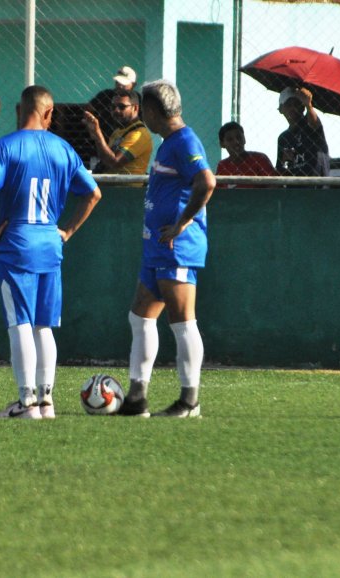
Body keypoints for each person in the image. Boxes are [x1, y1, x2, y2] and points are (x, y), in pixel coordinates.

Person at [0, 85, 102, 419]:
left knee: (20, 323)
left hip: (17, 242)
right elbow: (94, 194)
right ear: (49, 113)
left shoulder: (5, 146)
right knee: (43, 325)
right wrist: (67, 231)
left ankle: (25, 403)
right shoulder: (64, 149)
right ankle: (46, 403)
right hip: (50, 243)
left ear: (21, 110)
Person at [118, 79, 215, 419]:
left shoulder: (185, 141)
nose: (143, 115)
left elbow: (206, 181)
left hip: (177, 248)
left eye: (144, 109)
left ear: (154, 111)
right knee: (140, 316)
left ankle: (190, 402)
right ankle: (136, 399)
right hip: (157, 248)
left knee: (182, 322)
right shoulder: (168, 143)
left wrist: (182, 223)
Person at [82, 88, 152, 175]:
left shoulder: (139, 134)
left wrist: (97, 134)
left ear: (135, 108)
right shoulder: (118, 131)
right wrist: (96, 136)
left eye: (122, 107)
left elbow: (115, 162)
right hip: (113, 184)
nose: (116, 110)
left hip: (127, 187)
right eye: (113, 107)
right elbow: (106, 159)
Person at [276, 87, 330, 177]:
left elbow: (314, 124)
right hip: (294, 187)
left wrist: (308, 105)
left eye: (297, 104)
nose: (293, 108)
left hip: (315, 185)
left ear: (302, 108)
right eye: (288, 105)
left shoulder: (309, 123)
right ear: (281, 109)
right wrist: (284, 160)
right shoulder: (283, 138)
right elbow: (280, 168)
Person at [215, 121, 276, 187]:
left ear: (244, 139)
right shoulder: (223, 165)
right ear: (222, 144)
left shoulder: (259, 159)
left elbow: (274, 186)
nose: (236, 142)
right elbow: (218, 190)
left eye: (239, 137)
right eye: (230, 139)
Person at [88, 65, 138, 143]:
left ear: (133, 84)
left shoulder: (137, 99)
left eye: (124, 83)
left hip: (127, 141)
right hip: (102, 140)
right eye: (118, 82)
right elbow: (89, 108)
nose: (120, 86)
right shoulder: (106, 95)